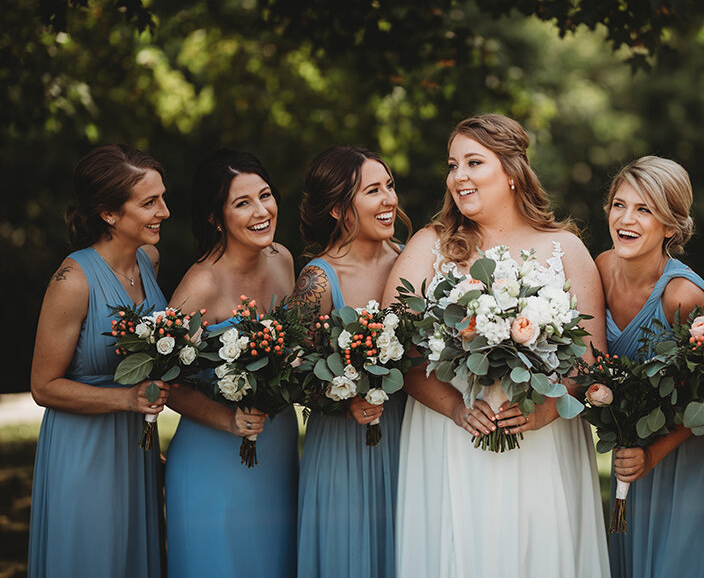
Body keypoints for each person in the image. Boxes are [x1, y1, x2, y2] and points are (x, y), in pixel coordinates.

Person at [385, 114, 610, 577]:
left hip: (542, 439)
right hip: (451, 436)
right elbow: (397, 350)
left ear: (511, 171)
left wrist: (546, 411)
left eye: (473, 162)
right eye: (453, 165)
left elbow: (592, 363)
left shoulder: (565, 248)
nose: (458, 177)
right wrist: (454, 408)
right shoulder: (430, 246)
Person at [29, 144, 171, 577]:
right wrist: (127, 400)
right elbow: (42, 386)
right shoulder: (72, 280)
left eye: (162, 197)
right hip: (83, 449)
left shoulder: (149, 260)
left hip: (135, 446)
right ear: (109, 213)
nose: (163, 211)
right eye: (149, 202)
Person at [597, 156, 704, 578]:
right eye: (619, 205)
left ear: (671, 226)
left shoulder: (682, 296)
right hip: (632, 455)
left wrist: (652, 454)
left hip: (687, 459)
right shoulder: (601, 268)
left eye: (645, 210)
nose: (626, 219)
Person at [164, 149, 297, 577]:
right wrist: (229, 421)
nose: (262, 211)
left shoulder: (282, 260)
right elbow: (166, 382)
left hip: (277, 450)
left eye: (265, 195)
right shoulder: (201, 285)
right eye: (243, 203)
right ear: (215, 217)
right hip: (214, 457)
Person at [292, 147, 410, 577]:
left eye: (390, 187)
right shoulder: (319, 278)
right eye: (373, 191)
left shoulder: (410, 261)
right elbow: (293, 372)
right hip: (343, 446)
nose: (389, 200)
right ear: (341, 209)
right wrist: (343, 402)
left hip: (407, 434)